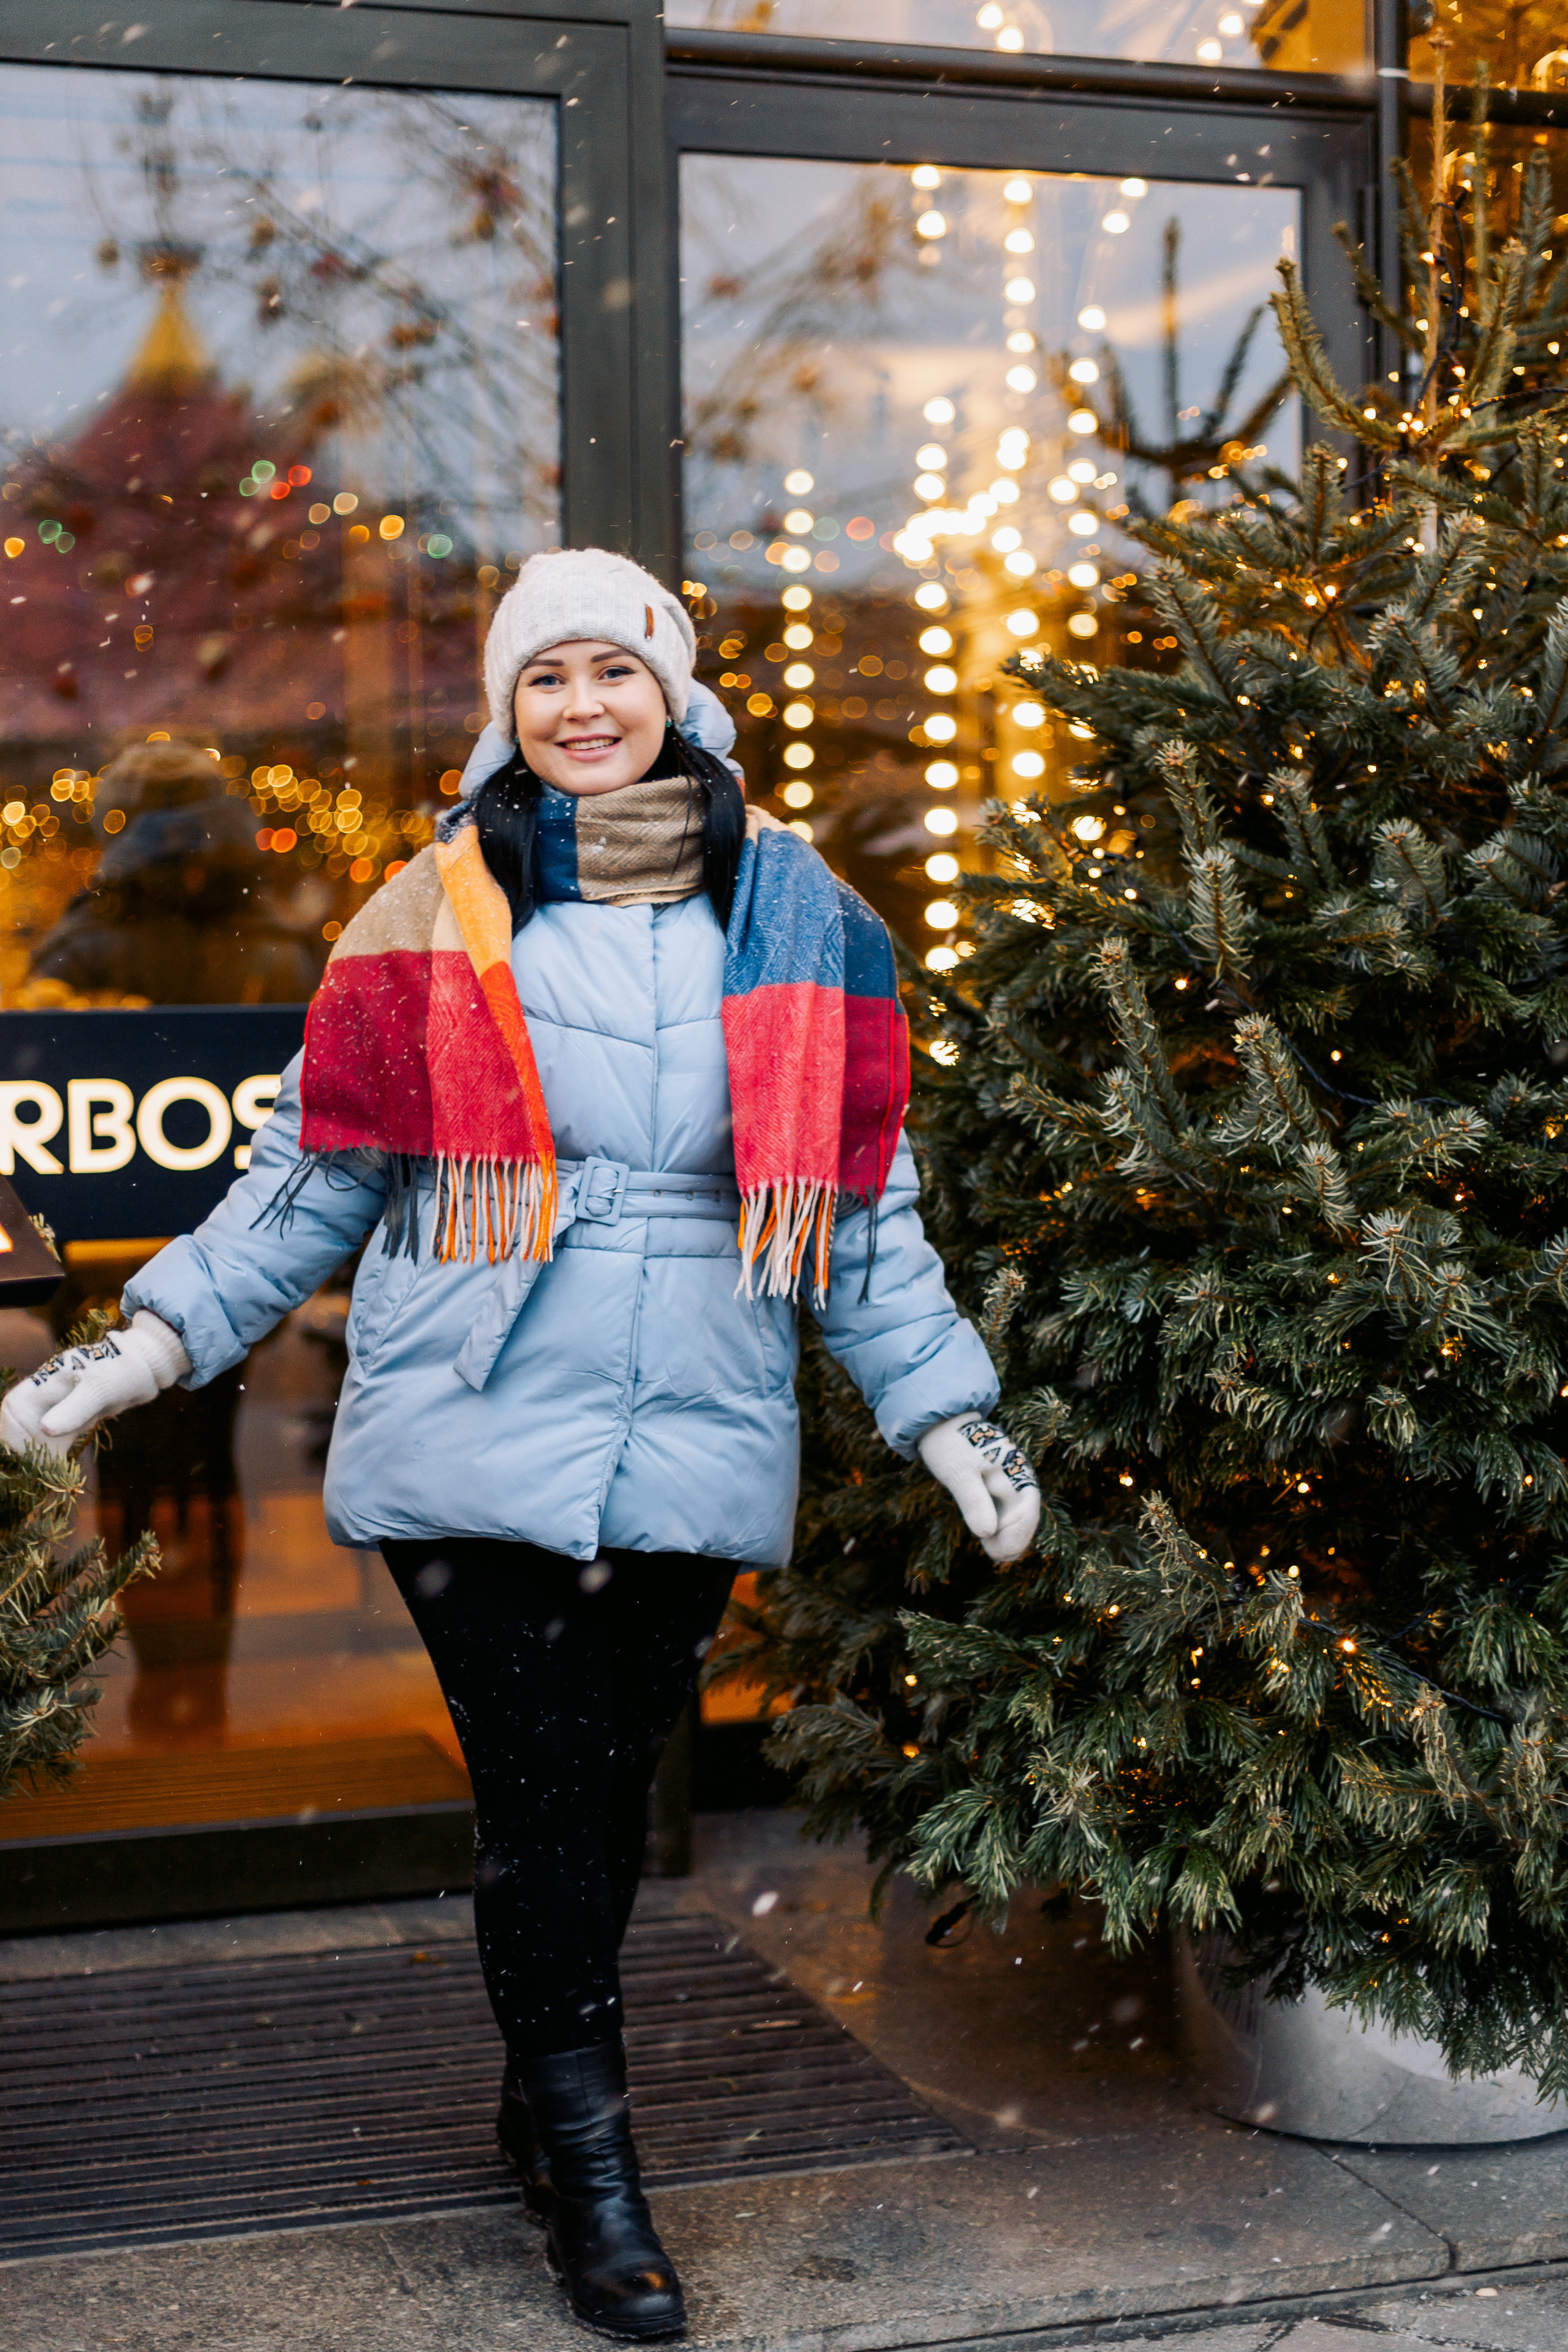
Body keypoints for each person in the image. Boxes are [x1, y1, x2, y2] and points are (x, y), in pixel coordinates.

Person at [1, 549, 1039, 2343]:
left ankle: (531, 2096)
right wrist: (149, 1342)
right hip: (471, 1414)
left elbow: (866, 1210)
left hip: (698, 1423)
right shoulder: (423, 909)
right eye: (543, 677)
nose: (580, 706)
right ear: (508, 707)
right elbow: (311, 1175)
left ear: (673, 693)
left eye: (610, 672)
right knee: (549, 1789)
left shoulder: (803, 918)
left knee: (588, 1808)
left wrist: (950, 1411)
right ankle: (602, 2180)